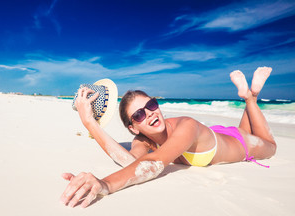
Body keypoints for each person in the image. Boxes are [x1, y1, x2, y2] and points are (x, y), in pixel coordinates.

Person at [60, 67, 277, 208]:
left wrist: (105, 184)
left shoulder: (187, 126)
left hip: (241, 145)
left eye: (152, 104)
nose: (150, 112)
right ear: (134, 128)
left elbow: (153, 164)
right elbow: (131, 162)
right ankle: (250, 95)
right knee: (244, 129)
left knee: (271, 146)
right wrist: (89, 123)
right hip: (220, 135)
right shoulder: (144, 140)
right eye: (139, 114)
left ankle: (250, 97)